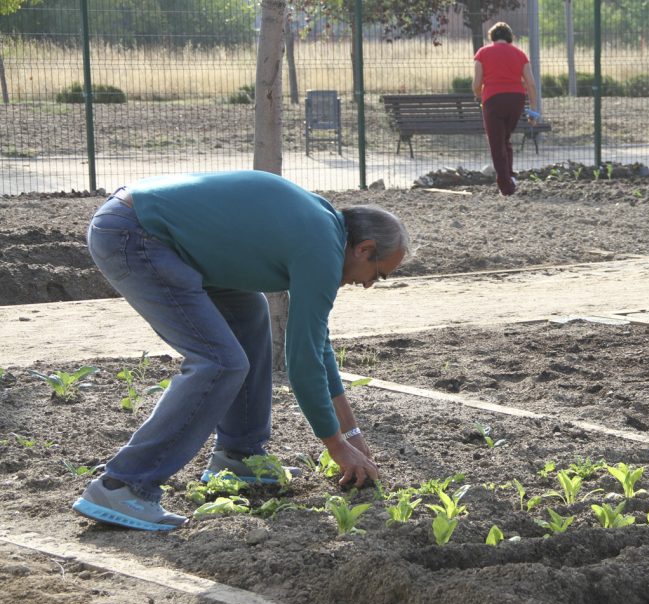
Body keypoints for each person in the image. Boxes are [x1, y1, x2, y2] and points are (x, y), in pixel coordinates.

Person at [72, 170, 413, 532]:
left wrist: (352, 433)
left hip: (157, 232)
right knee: (219, 362)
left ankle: (239, 456)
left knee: (250, 316)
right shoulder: (322, 248)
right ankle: (123, 484)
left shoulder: (324, 229)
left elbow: (317, 346)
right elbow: (303, 361)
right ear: (364, 249)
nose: (368, 284)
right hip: (138, 234)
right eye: (378, 274)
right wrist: (335, 444)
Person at [472, 21, 539, 197]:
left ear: (492, 37)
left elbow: (476, 84)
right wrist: (533, 111)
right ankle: (510, 176)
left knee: (496, 143)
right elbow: (531, 84)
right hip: (516, 99)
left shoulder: (482, 53)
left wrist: (480, 95)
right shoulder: (520, 54)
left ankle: (506, 187)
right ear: (510, 37)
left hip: (493, 99)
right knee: (505, 138)